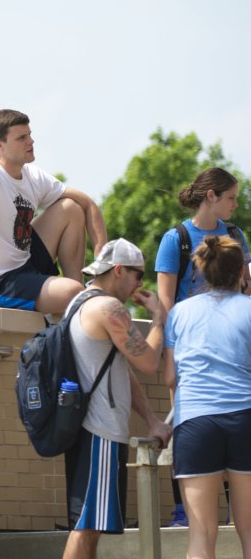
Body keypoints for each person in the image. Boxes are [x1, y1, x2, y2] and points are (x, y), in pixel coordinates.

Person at [61, 239, 172, 559]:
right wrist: (158, 319)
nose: (140, 284)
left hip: (87, 427)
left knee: (90, 528)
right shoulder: (108, 309)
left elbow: (119, 370)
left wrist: (151, 419)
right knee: (85, 528)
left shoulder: (79, 302)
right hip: (100, 431)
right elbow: (150, 362)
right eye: (138, 276)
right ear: (119, 270)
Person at [154, 167, 251, 527]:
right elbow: (166, 299)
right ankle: (184, 510)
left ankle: (228, 512)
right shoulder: (176, 238)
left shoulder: (235, 235)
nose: (236, 205)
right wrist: (169, 350)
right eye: (231, 197)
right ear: (211, 196)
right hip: (188, 345)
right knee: (187, 424)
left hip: (231, 341)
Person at [0, 109, 107, 314]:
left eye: (30, 135)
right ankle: (77, 299)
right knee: (70, 292)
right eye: (21, 138)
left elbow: (87, 203)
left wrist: (102, 256)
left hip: (26, 263)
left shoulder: (33, 175)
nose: (30, 141)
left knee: (71, 208)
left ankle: (79, 297)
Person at [163, 235, 251, 559]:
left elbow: (170, 376)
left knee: (201, 536)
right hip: (245, 418)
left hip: (196, 422)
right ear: (243, 270)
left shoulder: (179, 313)